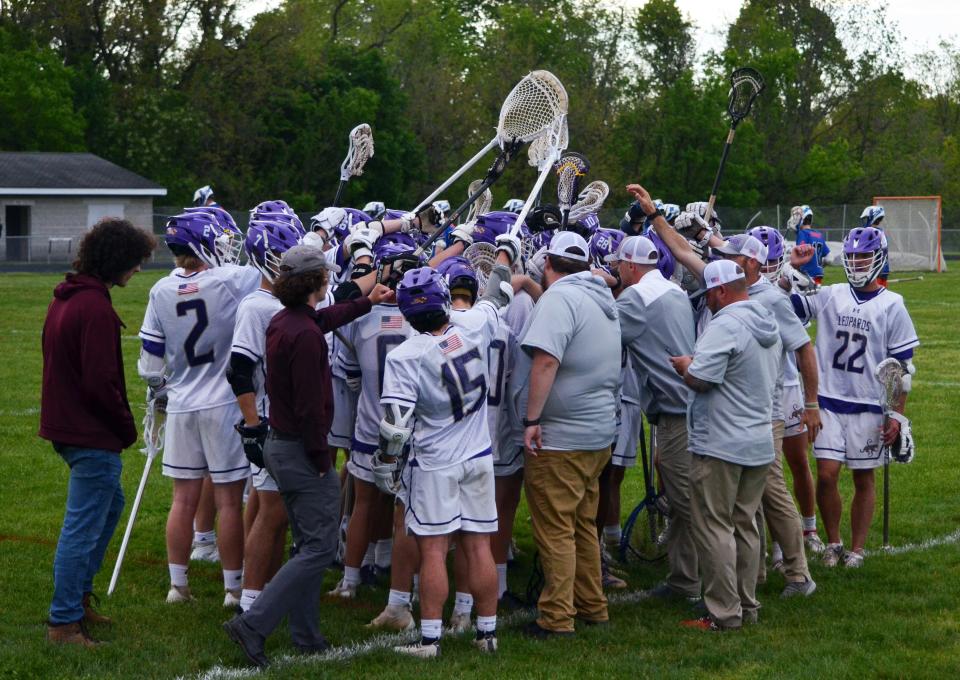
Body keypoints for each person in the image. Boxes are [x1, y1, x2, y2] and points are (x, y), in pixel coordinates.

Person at [223, 245, 392, 667]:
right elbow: (311, 408)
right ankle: (253, 623)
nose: (328, 282)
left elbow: (326, 318)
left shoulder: (289, 320)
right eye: (325, 277)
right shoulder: (303, 335)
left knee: (306, 545)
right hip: (302, 450)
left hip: (282, 444)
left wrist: (366, 303)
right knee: (318, 547)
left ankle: (306, 636)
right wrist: (322, 461)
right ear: (314, 282)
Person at [379, 233, 518, 657]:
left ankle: (430, 640)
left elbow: (396, 429)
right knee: (479, 545)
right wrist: (505, 252)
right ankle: (487, 634)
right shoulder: (473, 324)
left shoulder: (406, 356)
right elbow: (499, 292)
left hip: (436, 462)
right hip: (478, 454)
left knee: (434, 549)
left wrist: (387, 463)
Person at [41, 218, 155, 646]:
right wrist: (126, 428)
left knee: (109, 505)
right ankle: (64, 621)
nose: (138, 269)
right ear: (116, 261)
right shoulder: (93, 308)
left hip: (70, 427)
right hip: (89, 433)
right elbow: (100, 383)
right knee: (83, 525)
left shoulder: (68, 298)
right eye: (135, 262)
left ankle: (78, 599)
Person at [138, 211, 261, 607]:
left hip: (181, 404)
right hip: (224, 403)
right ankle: (232, 588)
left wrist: (160, 391)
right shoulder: (233, 280)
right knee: (228, 501)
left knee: (183, 499)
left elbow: (150, 364)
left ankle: (178, 585)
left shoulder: (159, 290)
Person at [786, 226, 918, 567]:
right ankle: (834, 543)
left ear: (879, 259)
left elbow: (901, 368)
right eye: (853, 256)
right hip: (828, 400)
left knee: (863, 476)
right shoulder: (831, 294)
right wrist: (794, 269)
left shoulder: (892, 304)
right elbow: (789, 306)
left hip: (868, 405)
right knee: (827, 474)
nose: (857, 263)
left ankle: (857, 550)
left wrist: (898, 415)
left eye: (864, 256)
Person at [669, 259, 782, 631]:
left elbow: (702, 379)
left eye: (710, 295)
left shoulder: (726, 325)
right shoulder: (766, 321)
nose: (708, 303)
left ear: (720, 291)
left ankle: (722, 612)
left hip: (720, 442)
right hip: (758, 440)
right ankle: (747, 605)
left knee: (714, 527)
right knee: (745, 525)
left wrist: (686, 365)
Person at [520, 231, 621, 638]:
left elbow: (545, 362)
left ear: (549, 265)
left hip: (562, 437)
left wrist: (531, 420)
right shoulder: (601, 297)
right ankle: (592, 605)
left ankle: (557, 617)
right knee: (581, 524)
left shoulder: (560, 299)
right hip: (597, 433)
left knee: (556, 528)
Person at [612, 235, 700, 603]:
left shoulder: (635, 298)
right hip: (690, 404)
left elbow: (602, 332)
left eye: (619, 265)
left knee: (688, 502)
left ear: (631, 266)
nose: (616, 271)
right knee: (685, 499)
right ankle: (685, 578)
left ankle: (709, 583)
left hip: (676, 410)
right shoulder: (674, 290)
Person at [226, 219, 303, 613]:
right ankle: (253, 602)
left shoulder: (280, 302)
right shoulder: (257, 306)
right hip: (274, 422)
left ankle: (254, 589)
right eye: (278, 261)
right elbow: (238, 370)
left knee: (264, 505)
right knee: (273, 512)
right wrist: (253, 425)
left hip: (285, 420)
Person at [787, 205, 829, 285]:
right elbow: (827, 258)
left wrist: (789, 250)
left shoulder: (802, 233)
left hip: (807, 273)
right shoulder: (819, 234)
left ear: (801, 219)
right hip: (819, 274)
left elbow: (800, 252)